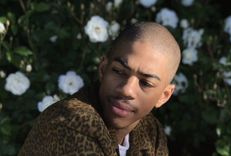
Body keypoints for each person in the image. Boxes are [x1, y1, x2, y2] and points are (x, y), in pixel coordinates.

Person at [18, 22, 181, 156]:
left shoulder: (151, 132)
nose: (127, 90)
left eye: (145, 83)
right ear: (103, 69)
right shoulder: (73, 123)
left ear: (164, 96)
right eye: (118, 71)